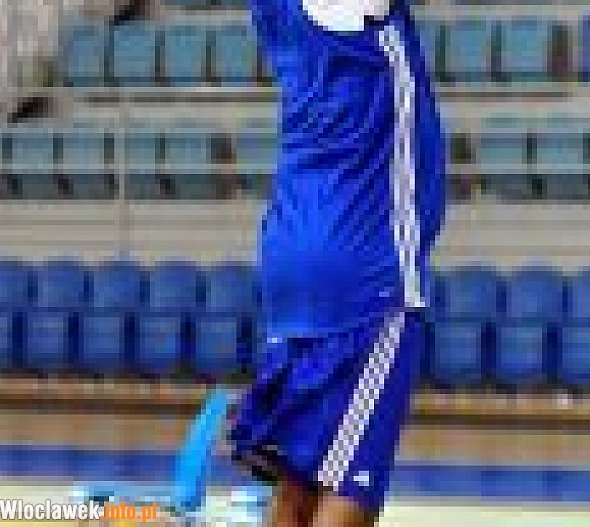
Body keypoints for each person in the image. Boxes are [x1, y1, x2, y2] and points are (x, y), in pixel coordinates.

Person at [229, 0, 446, 524]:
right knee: (351, 484)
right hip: (363, 265)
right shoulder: (357, 11)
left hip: (291, 253)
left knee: (298, 478)